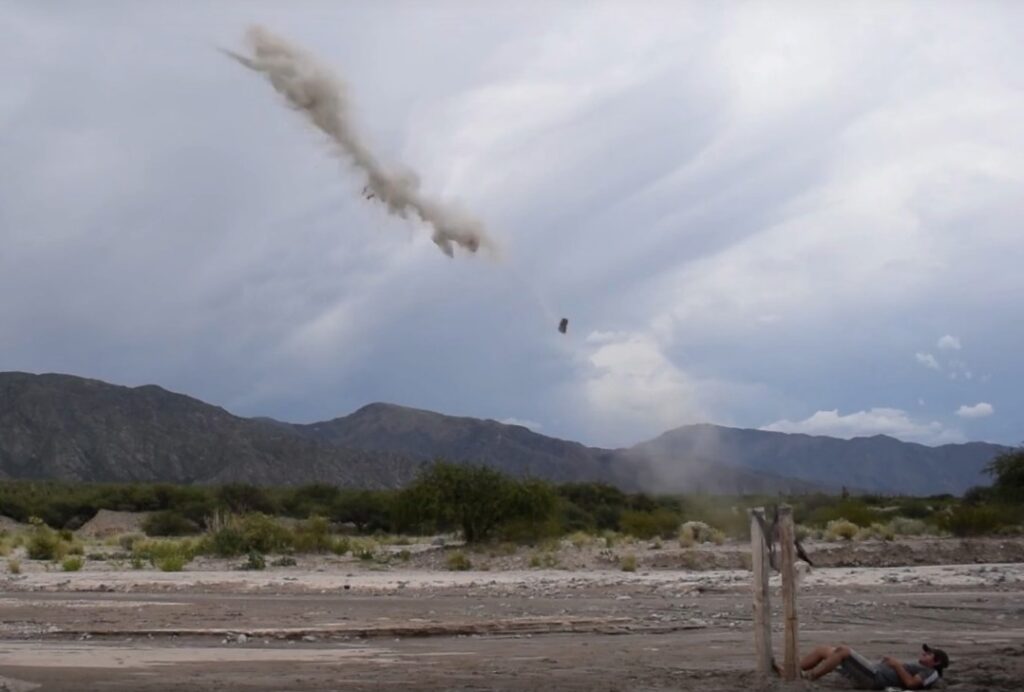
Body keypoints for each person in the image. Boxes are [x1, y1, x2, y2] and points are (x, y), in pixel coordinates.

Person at [799, 643, 948, 689]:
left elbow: (911, 684)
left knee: (843, 650)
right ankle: (794, 670)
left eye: (929, 654)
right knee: (824, 650)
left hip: (875, 678)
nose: (924, 653)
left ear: (937, 662)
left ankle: (810, 677)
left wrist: (897, 665)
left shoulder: (931, 673)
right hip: (872, 670)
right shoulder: (921, 667)